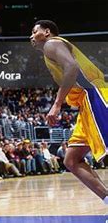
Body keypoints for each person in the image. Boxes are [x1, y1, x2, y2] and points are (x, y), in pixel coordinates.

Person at [30, 20, 108, 204]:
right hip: (86, 104)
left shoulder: (52, 43)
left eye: (35, 31)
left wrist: (57, 104)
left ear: (47, 32)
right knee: (71, 160)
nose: (31, 36)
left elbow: (72, 68)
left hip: (95, 96)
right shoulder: (52, 50)